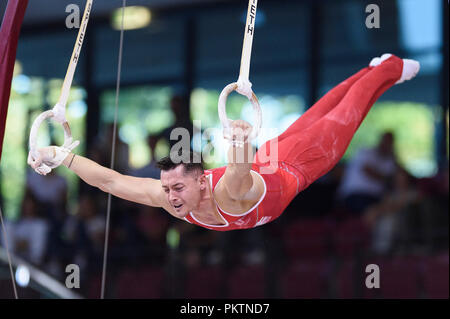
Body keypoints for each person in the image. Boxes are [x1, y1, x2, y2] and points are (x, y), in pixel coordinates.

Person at [28, 54, 420, 231]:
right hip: (273, 161)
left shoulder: (228, 194)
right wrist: (62, 155)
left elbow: (236, 171)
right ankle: (372, 68)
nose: (170, 196)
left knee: (345, 114)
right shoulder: (174, 200)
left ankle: (388, 69)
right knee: (324, 110)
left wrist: (237, 139)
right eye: (166, 188)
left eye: (177, 186)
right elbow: (111, 182)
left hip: (295, 165)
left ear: (202, 181)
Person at [337, 131, 398, 215]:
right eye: (386, 140)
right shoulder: (366, 152)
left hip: (376, 198)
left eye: (389, 142)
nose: (387, 144)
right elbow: (368, 171)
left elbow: (395, 178)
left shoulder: (390, 160)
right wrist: (385, 178)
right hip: (355, 195)